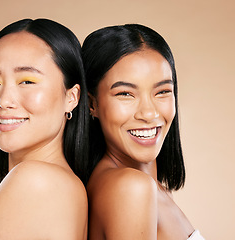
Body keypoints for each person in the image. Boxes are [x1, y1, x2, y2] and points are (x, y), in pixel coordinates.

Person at [0, 18, 89, 240]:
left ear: (72, 97)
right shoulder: (68, 185)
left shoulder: (35, 181)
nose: (4, 100)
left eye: (27, 81)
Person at [82, 24, 205, 240]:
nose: (148, 113)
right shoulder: (131, 189)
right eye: (126, 94)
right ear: (93, 104)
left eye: (163, 91)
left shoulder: (150, 187)